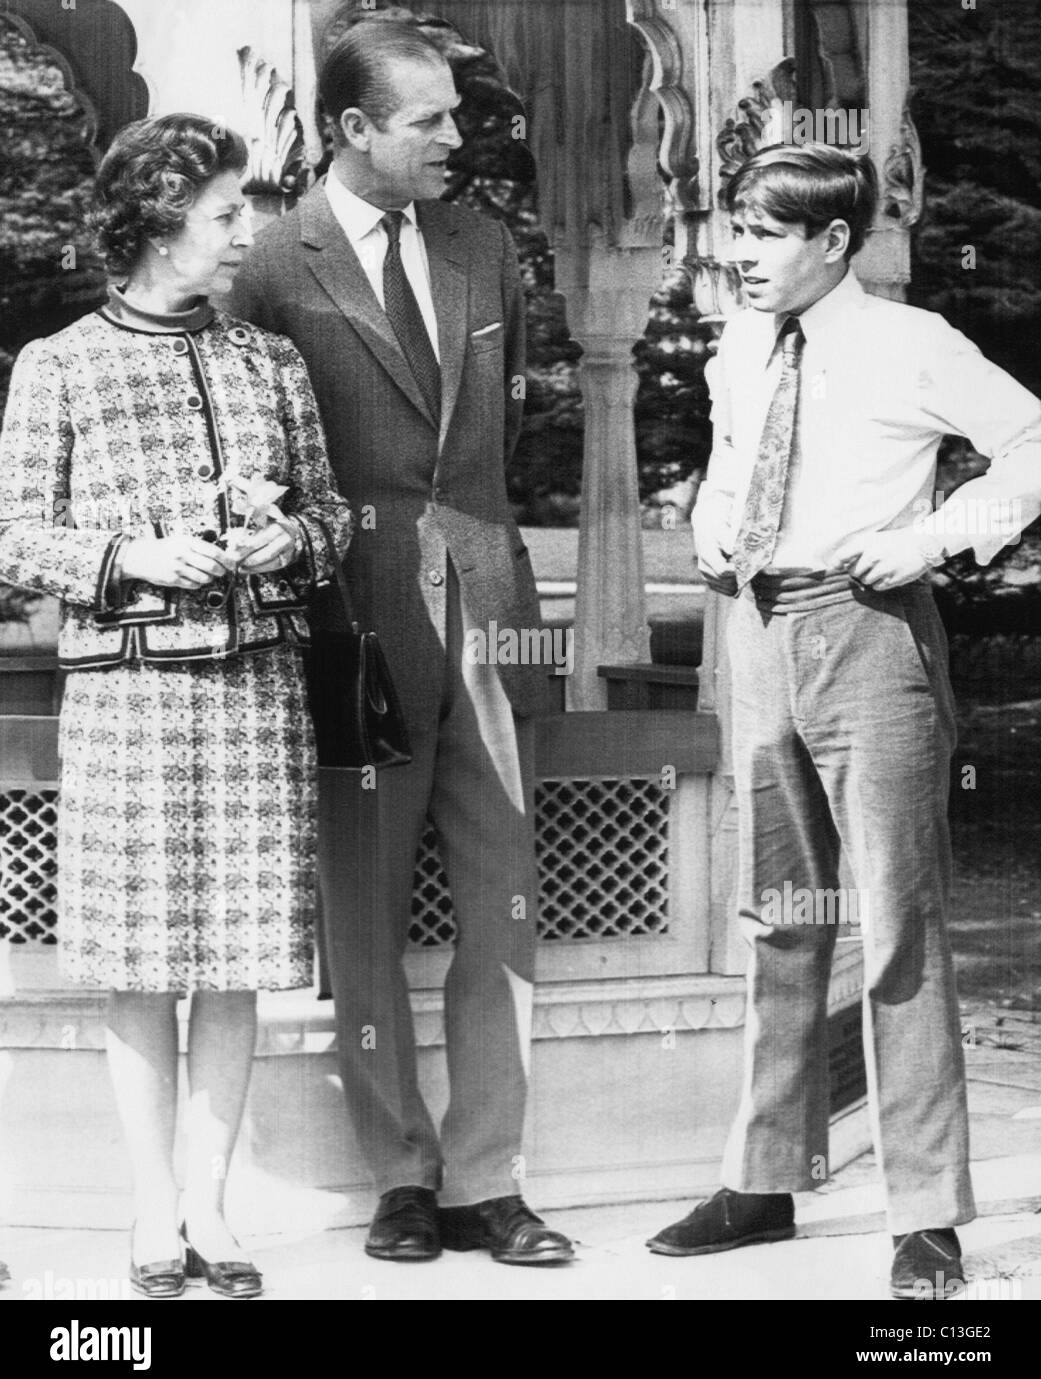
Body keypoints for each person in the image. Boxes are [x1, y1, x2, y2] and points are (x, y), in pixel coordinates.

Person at [647, 142, 1041, 1298]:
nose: (740, 257)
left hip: (870, 632)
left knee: (899, 919)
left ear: (832, 242)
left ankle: (924, 1212)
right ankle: (764, 1178)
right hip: (759, 629)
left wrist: (930, 540)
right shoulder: (741, 342)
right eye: (736, 232)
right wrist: (715, 526)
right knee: (777, 913)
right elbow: (732, 465)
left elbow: (1035, 442)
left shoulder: (912, 344)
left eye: (765, 237)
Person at [230, 14, 574, 1266]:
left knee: (506, 900)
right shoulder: (272, 260)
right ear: (352, 130)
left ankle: (493, 1177)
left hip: (487, 597)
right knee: (362, 907)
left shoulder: (488, 245)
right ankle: (403, 1176)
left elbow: (507, 426)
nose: (455, 138)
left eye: (457, 115)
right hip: (348, 617)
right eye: (427, 120)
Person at [0, 113, 353, 1298]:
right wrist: (134, 558)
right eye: (223, 212)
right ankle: (154, 1215)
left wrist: (282, 534)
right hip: (131, 695)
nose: (246, 230)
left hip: (257, 689)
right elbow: (14, 538)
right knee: (141, 967)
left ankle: (213, 1211)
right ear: (156, 219)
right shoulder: (60, 364)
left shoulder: (270, 362)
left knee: (241, 960)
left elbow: (334, 519)